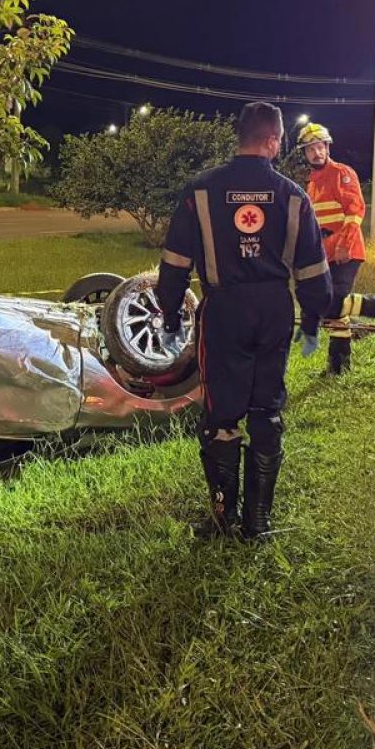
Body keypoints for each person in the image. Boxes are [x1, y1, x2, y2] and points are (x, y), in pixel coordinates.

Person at [156, 103, 333, 540]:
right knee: (266, 411)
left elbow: (175, 261)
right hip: (274, 311)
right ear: (273, 140)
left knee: (221, 416)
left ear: (240, 137)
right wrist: (311, 321)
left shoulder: (200, 191)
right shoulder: (293, 196)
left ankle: (221, 518)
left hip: (224, 312)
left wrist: (169, 312)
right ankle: (259, 522)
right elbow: (313, 270)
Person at [297, 122, 375, 375]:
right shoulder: (311, 183)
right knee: (335, 311)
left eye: (319, 147)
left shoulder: (342, 173)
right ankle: (339, 366)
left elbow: (355, 211)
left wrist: (343, 244)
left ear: (327, 146)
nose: (316, 153)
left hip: (346, 252)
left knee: (334, 302)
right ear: (305, 154)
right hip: (326, 254)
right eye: (310, 150)